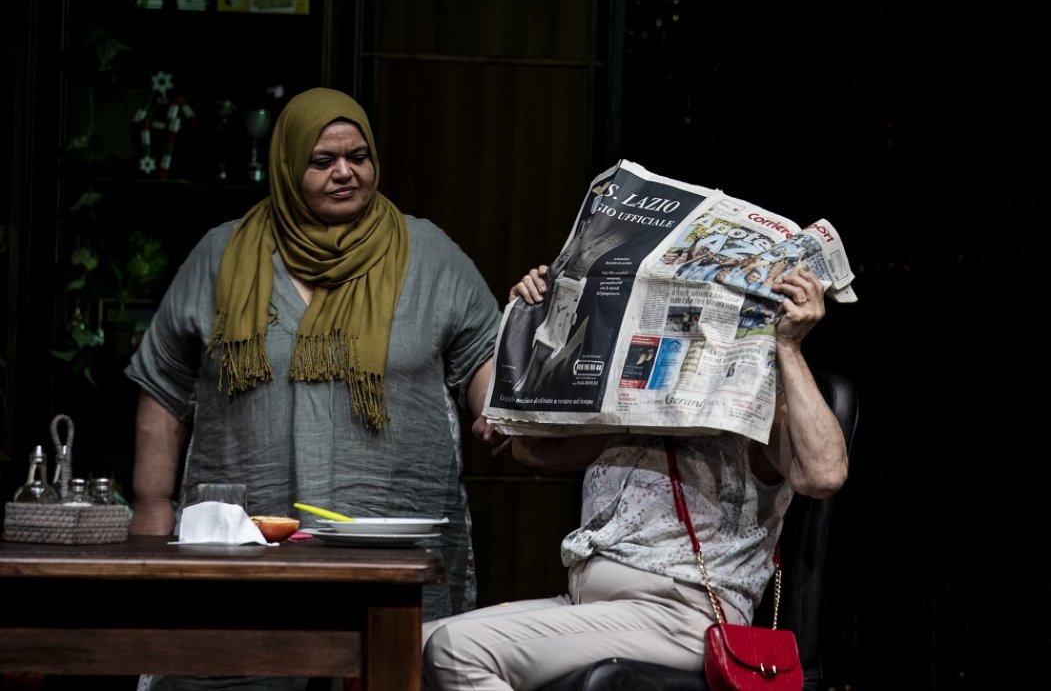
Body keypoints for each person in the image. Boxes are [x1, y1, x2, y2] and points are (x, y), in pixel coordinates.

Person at [125, 87, 503, 690]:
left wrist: (498, 413)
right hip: (242, 554)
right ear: (286, 166)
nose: (344, 172)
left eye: (358, 156)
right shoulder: (223, 255)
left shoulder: (429, 254)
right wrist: (151, 510)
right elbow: (163, 387)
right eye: (322, 161)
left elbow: (484, 359)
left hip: (390, 552)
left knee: (386, 675)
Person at [422, 262, 849, 690]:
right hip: (597, 606)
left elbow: (825, 474)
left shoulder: (759, 401)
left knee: (455, 649)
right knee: (409, 643)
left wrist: (788, 347)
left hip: (685, 613)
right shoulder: (633, 395)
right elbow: (531, 449)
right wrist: (537, 320)